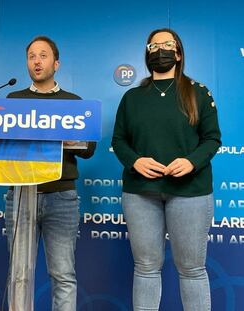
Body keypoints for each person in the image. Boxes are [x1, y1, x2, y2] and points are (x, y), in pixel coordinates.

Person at [112, 28, 221, 310]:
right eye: (154, 45)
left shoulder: (198, 92)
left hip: (190, 192)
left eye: (167, 44)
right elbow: (119, 141)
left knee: (192, 269)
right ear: (147, 54)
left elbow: (212, 138)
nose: (160, 49)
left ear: (179, 52)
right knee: (146, 267)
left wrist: (191, 161)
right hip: (141, 193)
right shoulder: (132, 98)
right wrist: (135, 161)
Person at [5, 36, 96, 311]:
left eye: (43, 55)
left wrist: (72, 140)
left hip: (61, 198)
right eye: (31, 56)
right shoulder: (13, 100)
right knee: (19, 273)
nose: (36, 61)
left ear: (56, 63)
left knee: (63, 274)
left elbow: (89, 148)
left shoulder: (73, 102)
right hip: (20, 196)